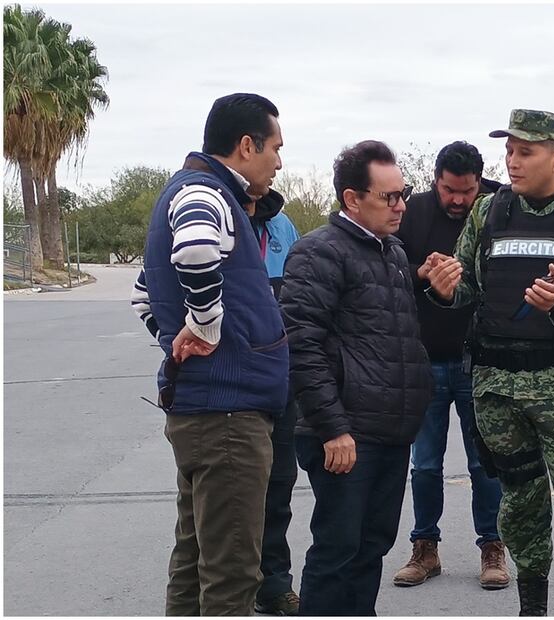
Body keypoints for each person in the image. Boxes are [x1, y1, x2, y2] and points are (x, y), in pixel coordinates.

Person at [425, 110, 554, 616]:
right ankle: (532, 607)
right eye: (509, 150)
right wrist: (445, 291)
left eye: (526, 152)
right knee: (520, 508)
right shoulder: (487, 212)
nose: (512, 162)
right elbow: (471, 288)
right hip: (497, 390)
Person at [130, 93, 288, 615]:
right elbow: (196, 250)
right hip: (227, 414)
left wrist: (177, 332)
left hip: (206, 407)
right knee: (232, 573)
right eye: (275, 148)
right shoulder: (205, 193)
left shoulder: (190, 190)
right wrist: (204, 327)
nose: (279, 161)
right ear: (247, 145)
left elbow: (142, 292)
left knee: (195, 556)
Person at [280, 140, 432, 616]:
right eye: (390, 197)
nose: (401, 206)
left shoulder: (391, 253)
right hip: (345, 436)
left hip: (390, 432)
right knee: (337, 550)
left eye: (403, 194)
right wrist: (333, 427)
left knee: (372, 546)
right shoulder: (318, 254)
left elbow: (389, 337)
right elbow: (301, 345)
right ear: (352, 199)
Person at [392, 141, 509, 590]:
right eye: (449, 190)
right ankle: (425, 549)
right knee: (424, 463)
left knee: (485, 463)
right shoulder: (414, 211)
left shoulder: (500, 206)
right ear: (436, 180)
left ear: (480, 182)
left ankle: (492, 548)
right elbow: (386, 261)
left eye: (467, 191)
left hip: (480, 362)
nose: (458, 200)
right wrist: (421, 271)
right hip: (426, 360)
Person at [248, 190, 303, 616]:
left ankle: (274, 582)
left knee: (279, 487)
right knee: (232, 495)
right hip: (234, 387)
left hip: (282, 382)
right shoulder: (216, 215)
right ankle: (232, 584)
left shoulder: (283, 227)